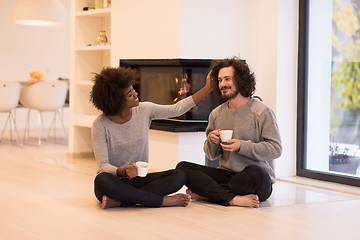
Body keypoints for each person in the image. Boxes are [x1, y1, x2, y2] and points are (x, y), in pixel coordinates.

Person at [90, 66, 213, 209]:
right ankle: (162, 201)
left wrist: (207, 89)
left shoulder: (144, 110)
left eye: (133, 89)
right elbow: (103, 165)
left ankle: (122, 201)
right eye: (130, 94)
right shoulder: (100, 125)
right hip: (116, 181)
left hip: (141, 180)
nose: (136, 93)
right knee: (101, 180)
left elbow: (177, 109)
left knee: (179, 175)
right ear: (116, 101)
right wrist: (123, 172)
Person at [176, 57, 282, 208]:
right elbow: (211, 155)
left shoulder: (261, 111)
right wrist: (212, 142)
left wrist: (241, 146)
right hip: (227, 175)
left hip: (254, 179)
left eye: (227, 79)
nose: (222, 84)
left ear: (240, 80)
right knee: (183, 168)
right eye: (219, 80)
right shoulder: (216, 114)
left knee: (256, 173)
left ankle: (209, 193)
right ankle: (232, 199)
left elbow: (276, 149)